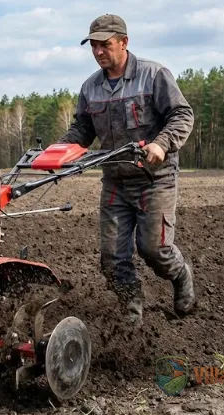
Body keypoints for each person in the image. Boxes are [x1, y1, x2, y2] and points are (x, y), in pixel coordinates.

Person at [57, 13, 196, 327]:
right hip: (116, 180)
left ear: (124, 42)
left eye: (105, 44)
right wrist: (57, 153)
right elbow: (82, 130)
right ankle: (131, 315)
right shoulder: (90, 87)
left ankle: (181, 274)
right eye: (93, 46)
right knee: (112, 259)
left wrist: (162, 144)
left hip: (154, 179)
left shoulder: (154, 75)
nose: (98, 52)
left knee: (154, 249)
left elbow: (181, 115)